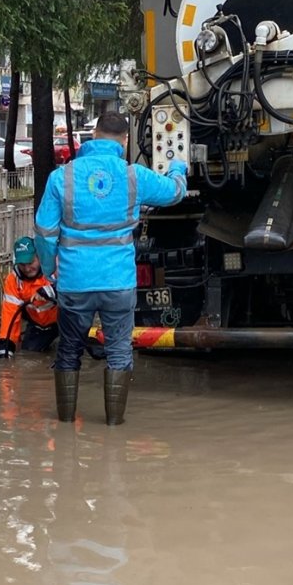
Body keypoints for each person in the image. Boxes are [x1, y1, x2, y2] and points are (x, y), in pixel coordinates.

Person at [34, 111, 187, 425]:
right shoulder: (134, 176)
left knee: (69, 352)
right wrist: (177, 168)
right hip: (118, 283)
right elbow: (174, 193)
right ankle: (114, 430)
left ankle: (65, 424)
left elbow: (44, 231)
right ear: (125, 140)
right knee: (119, 351)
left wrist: (50, 269)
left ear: (93, 136)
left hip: (75, 283)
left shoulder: (61, 177)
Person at [0, 236, 58, 358]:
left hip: (66, 320)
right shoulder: (13, 280)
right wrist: (6, 346)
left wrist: (52, 291)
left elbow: (76, 289)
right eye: (22, 265)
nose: (27, 269)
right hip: (40, 326)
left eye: (30, 263)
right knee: (30, 354)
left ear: (39, 257)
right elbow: (10, 315)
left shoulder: (54, 268)